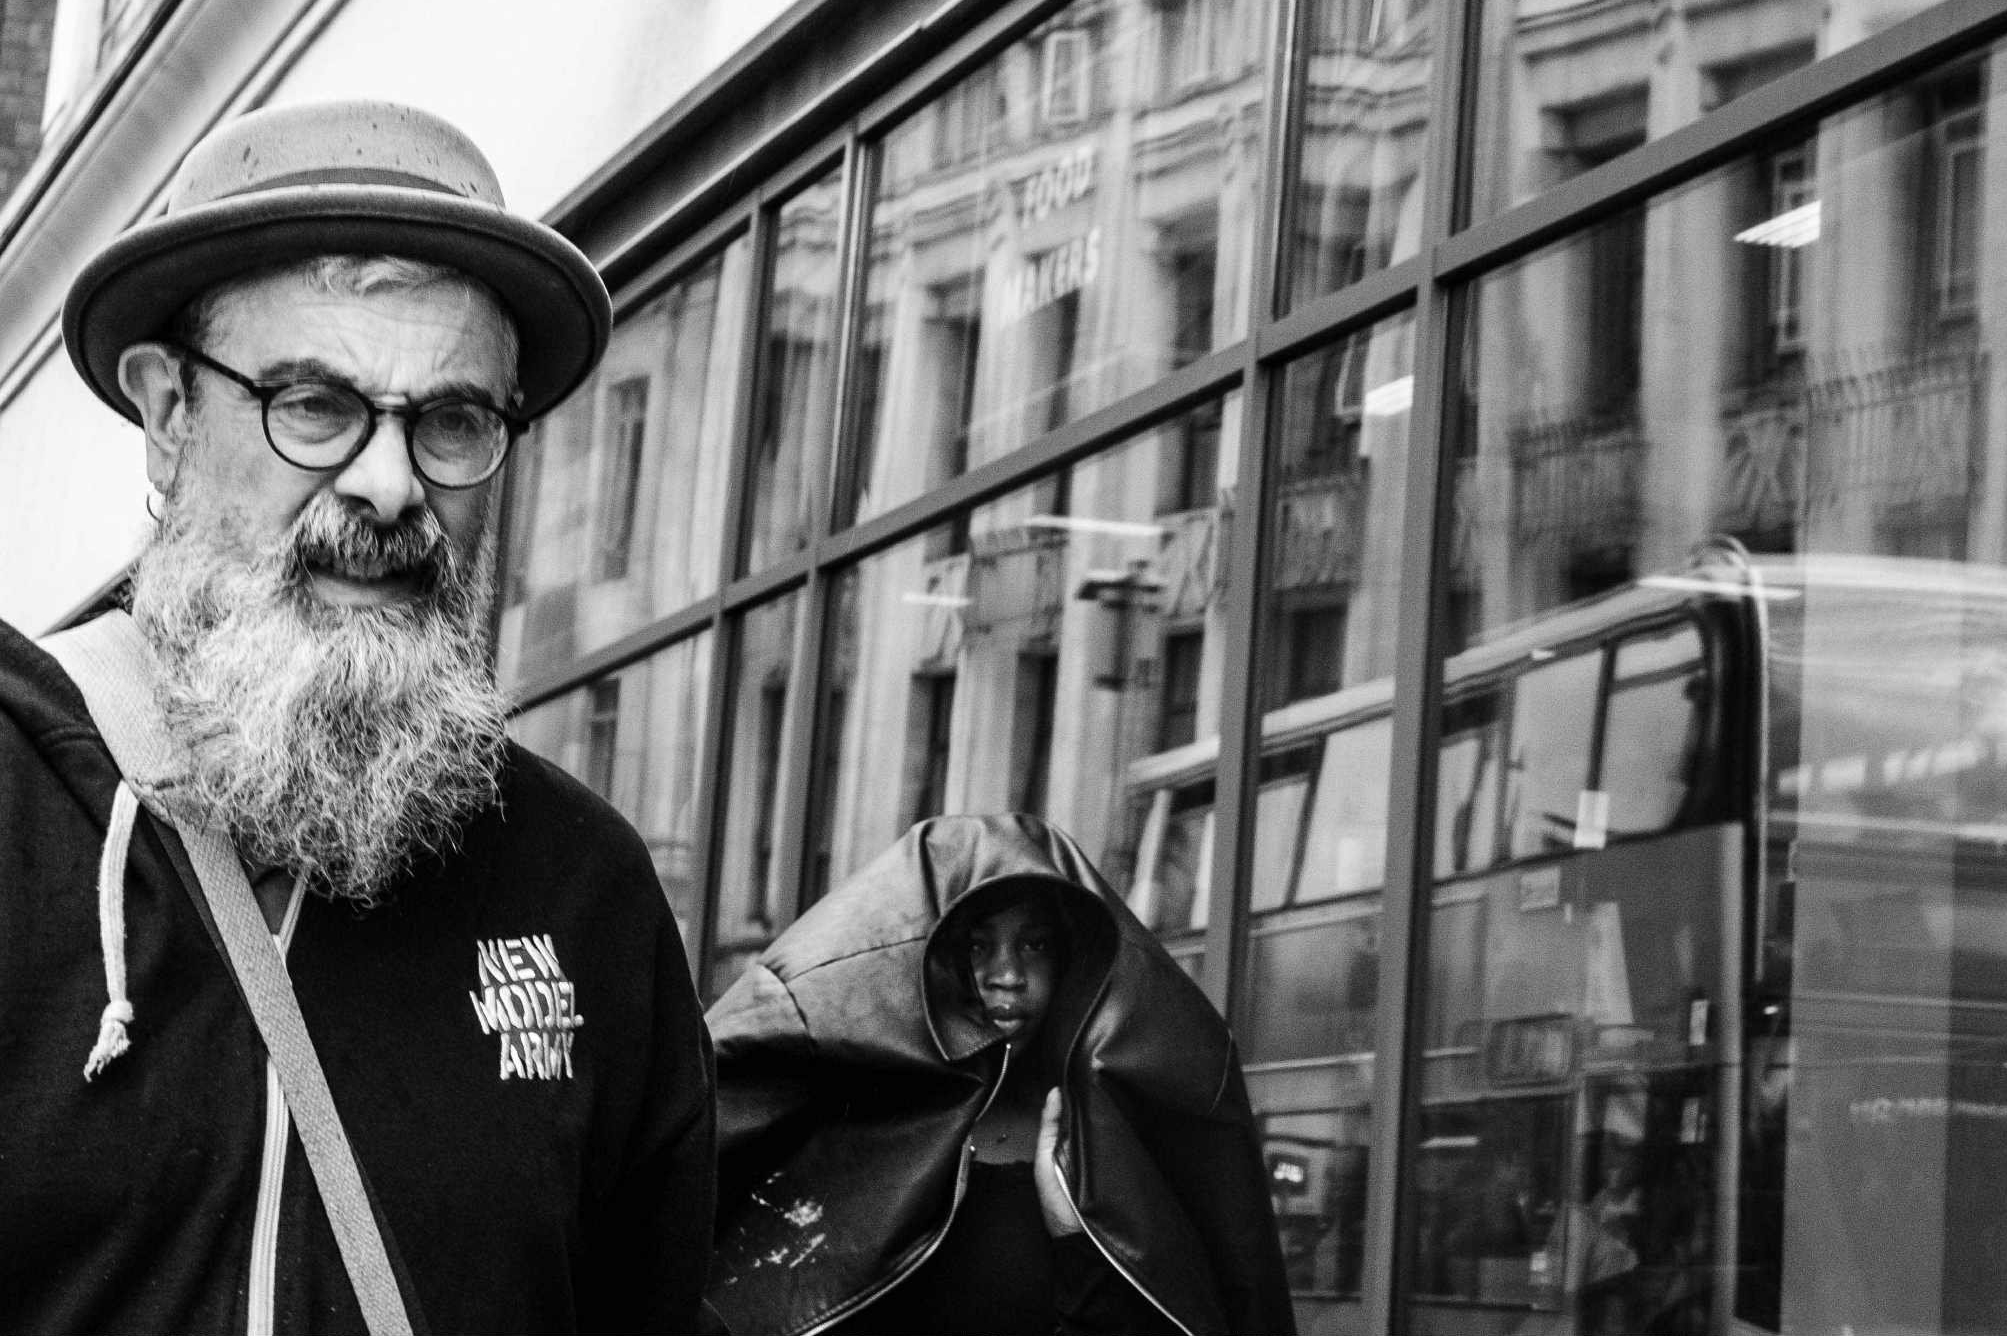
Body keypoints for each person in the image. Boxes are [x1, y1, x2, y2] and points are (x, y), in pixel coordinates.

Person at [0, 100, 715, 1333]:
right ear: (169, 417)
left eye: (452, 422)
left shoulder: (583, 890)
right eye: (315, 406)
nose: (390, 485)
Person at [707, 813, 1297, 1336]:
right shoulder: (852, 1126)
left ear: (1071, 959)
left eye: (1034, 945)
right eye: (976, 947)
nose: (1007, 975)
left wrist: (1075, 1236)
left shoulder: (1110, 1139)